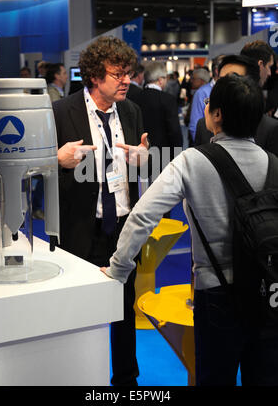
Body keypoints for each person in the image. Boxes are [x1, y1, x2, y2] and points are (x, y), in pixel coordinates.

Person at [101, 73, 278, 386]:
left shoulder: (192, 161)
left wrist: (118, 270)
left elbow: (143, 216)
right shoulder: (274, 163)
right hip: (269, 292)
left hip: (215, 293)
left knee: (213, 378)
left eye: (209, 103)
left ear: (217, 115)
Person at [52, 36, 149, 386]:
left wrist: (143, 161)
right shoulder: (62, 111)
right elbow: (36, 169)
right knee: (78, 312)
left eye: (129, 73)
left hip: (124, 226)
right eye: (118, 73)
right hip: (81, 227)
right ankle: (79, 377)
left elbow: (138, 164)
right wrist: (58, 161)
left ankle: (126, 381)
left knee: (125, 311)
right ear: (94, 75)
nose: (126, 80)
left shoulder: (133, 111)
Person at [195, 50, 278, 156]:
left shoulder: (270, 129)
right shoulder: (205, 125)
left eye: (234, 79)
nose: (225, 86)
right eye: (221, 80)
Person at [133, 61, 183, 175]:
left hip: (140, 156)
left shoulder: (134, 98)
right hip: (163, 158)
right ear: (160, 79)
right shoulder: (168, 99)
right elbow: (174, 132)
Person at [188, 55, 224, 142]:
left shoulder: (233, 89)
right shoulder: (202, 92)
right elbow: (195, 126)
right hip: (209, 147)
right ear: (217, 70)